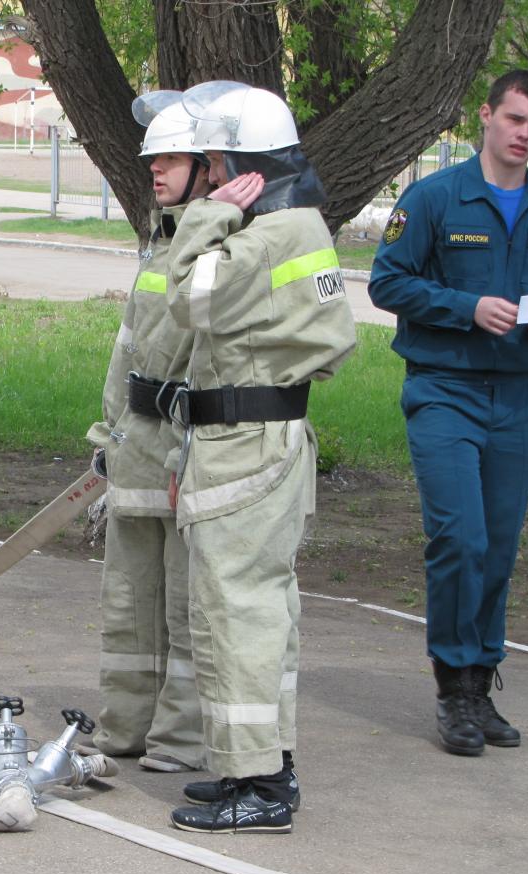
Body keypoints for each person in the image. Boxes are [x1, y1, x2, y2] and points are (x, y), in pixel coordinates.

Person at [368, 70, 528, 756]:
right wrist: (467, 308)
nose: (525, 134)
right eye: (515, 119)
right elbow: (387, 281)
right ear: (485, 117)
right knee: (459, 536)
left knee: (498, 545)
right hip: (445, 390)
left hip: (517, 399)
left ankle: (481, 680)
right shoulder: (435, 197)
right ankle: (453, 687)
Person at [163, 82, 356, 833]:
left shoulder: (266, 235)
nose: (210, 179)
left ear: (244, 166)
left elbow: (190, 297)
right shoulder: (298, 227)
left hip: (245, 445)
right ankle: (263, 763)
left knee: (234, 609)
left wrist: (208, 217)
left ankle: (261, 784)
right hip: (268, 441)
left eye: (215, 165)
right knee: (263, 610)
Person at [86, 92, 212, 774]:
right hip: (137, 447)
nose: (155, 171)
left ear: (207, 166)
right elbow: (128, 350)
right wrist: (108, 434)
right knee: (129, 601)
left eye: (170, 159)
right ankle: (124, 726)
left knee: (185, 604)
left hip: (187, 453)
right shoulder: (163, 241)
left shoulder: (219, 242)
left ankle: (179, 738)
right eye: (152, 159)